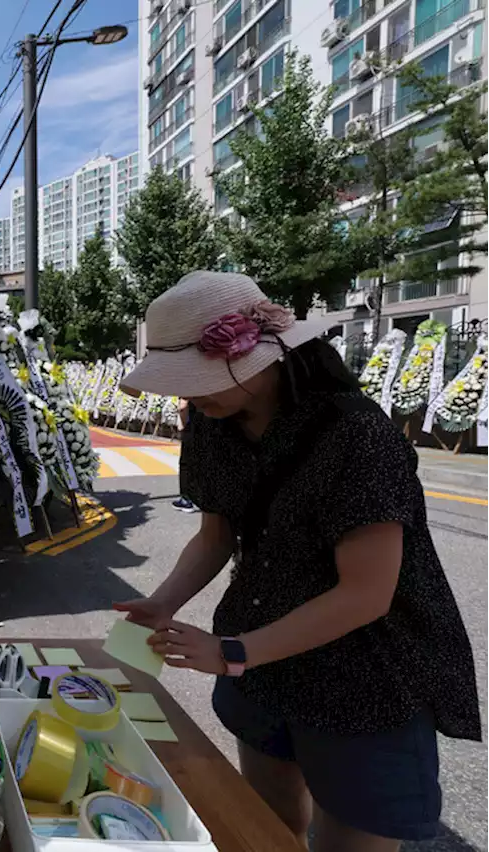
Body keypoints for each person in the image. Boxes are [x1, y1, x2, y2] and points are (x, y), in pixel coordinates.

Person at [113, 271, 480, 852]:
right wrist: (164, 602)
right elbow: (217, 534)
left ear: (261, 355)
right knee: (267, 824)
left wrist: (232, 653)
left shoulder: (357, 435)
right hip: (261, 663)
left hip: (364, 678)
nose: (187, 399)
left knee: (349, 840)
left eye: (195, 379)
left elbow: (365, 594)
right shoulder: (212, 423)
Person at [171, 398, 199, 513]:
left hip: (192, 427)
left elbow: (183, 406)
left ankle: (186, 499)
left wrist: (182, 425)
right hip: (209, 425)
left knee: (186, 463)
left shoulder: (188, 381)